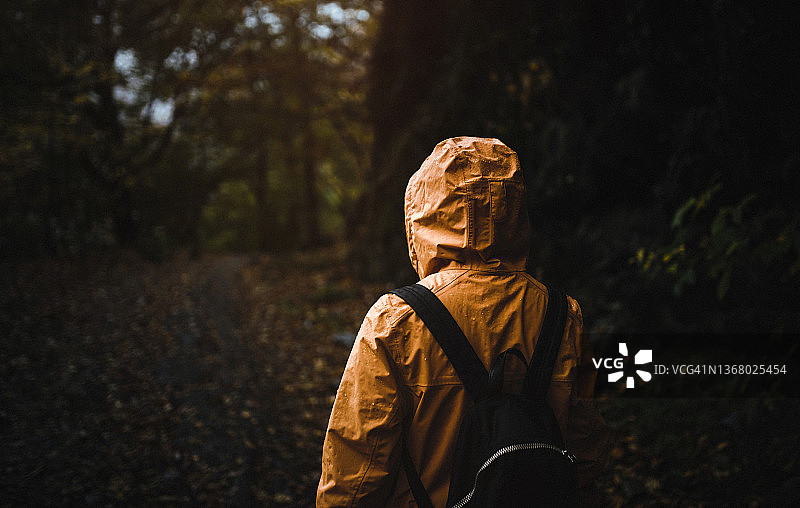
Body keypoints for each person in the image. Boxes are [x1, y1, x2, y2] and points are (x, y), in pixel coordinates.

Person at [317, 137, 609, 507]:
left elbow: (358, 466)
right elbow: (584, 450)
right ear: (515, 210)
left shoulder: (395, 320)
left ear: (424, 212)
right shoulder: (562, 314)